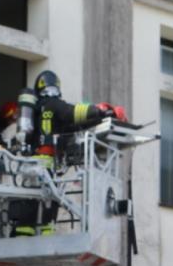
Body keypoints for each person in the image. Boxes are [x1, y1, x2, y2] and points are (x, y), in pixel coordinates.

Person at [8, 70, 126, 235]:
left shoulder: (36, 111)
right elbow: (74, 112)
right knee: (49, 202)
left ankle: (24, 235)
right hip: (46, 165)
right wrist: (101, 110)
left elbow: (74, 125)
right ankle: (47, 235)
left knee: (30, 202)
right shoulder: (54, 104)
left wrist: (101, 117)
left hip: (30, 164)